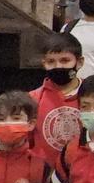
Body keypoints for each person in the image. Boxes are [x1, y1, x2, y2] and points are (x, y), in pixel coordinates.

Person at [31, 33, 84, 167]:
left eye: (65, 61)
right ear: (44, 63)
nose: (58, 66)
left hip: (83, 174)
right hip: (44, 176)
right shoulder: (32, 99)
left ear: (79, 62)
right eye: (51, 62)